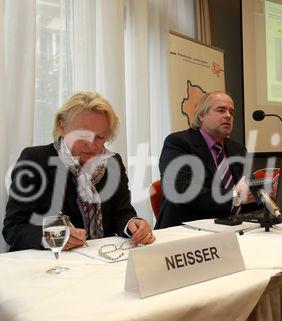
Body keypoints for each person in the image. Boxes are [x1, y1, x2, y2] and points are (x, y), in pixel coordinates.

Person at [3, 91, 155, 251]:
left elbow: (121, 212)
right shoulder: (35, 159)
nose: (92, 145)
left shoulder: (112, 162)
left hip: (100, 262)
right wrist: (53, 237)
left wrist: (132, 224)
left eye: (100, 137)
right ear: (62, 126)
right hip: (49, 265)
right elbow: (13, 228)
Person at [156, 91, 254, 228]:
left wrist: (267, 192)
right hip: (187, 229)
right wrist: (234, 196)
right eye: (221, 110)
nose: (228, 116)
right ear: (202, 116)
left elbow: (248, 188)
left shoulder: (237, 149)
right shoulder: (179, 143)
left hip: (232, 226)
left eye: (231, 112)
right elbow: (181, 190)